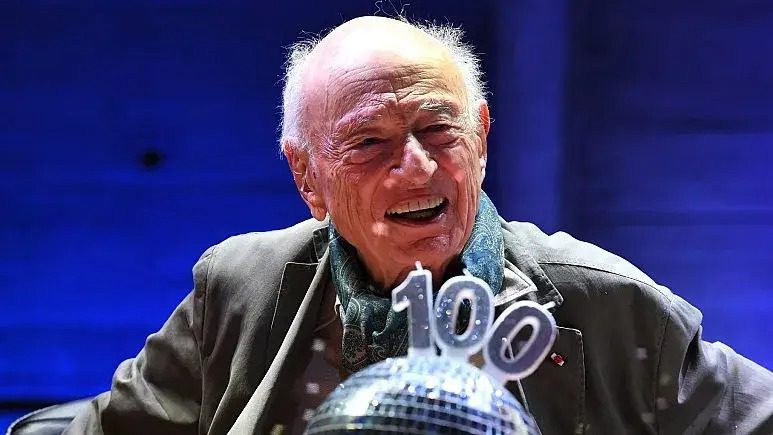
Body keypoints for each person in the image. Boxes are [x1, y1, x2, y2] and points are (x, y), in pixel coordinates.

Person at [66, 16, 773, 435]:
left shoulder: (609, 306)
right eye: (368, 141)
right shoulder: (237, 289)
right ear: (306, 176)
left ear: (481, 139)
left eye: (437, 129)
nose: (416, 167)